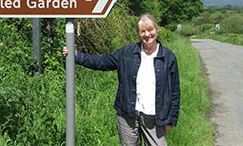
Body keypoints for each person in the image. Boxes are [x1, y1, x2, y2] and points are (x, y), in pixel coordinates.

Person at [63, 13, 180, 146]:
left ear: (156, 30)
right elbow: (102, 62)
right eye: (143, 31)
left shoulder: (168, 57)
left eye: (150, 30)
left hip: (155, 117)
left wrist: (171, 120)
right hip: (127, 114)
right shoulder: (127, 52)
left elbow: (174, 91)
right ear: (138, 33)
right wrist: (77, 56)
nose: (147, 34)